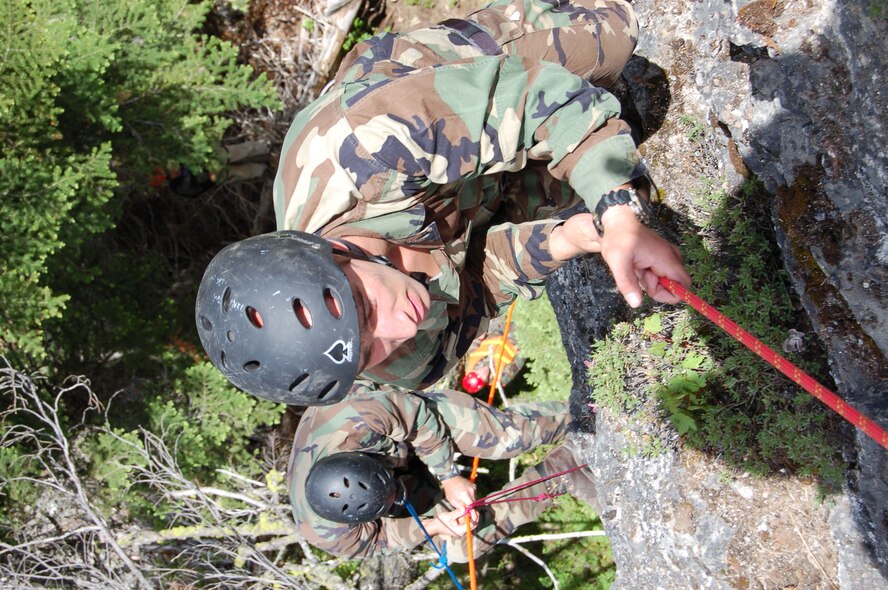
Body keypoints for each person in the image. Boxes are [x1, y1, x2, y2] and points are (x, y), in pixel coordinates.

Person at [194, 0, 691, 407]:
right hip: (459, 202)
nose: (399, 327)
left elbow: (541, 100)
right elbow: (481, 289)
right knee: (607, 147)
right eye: (369, 350)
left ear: (335, 252)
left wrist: (619, 208)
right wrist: (569, 238)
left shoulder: (366, 145)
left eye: (364, 308)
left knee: (615, 38)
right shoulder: (392, 362)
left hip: (441, 88)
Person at [287, 385, 593, 561]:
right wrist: (436, 525)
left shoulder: (356, 418)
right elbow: (383, 539)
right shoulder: (329, 534)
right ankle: (563, 471)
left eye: (392, 488)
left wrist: (449, 476)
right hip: (395, 463)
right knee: (463, 544)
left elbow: (417, 418)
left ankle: (585, 415)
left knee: (505, 439)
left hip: (409, 421)